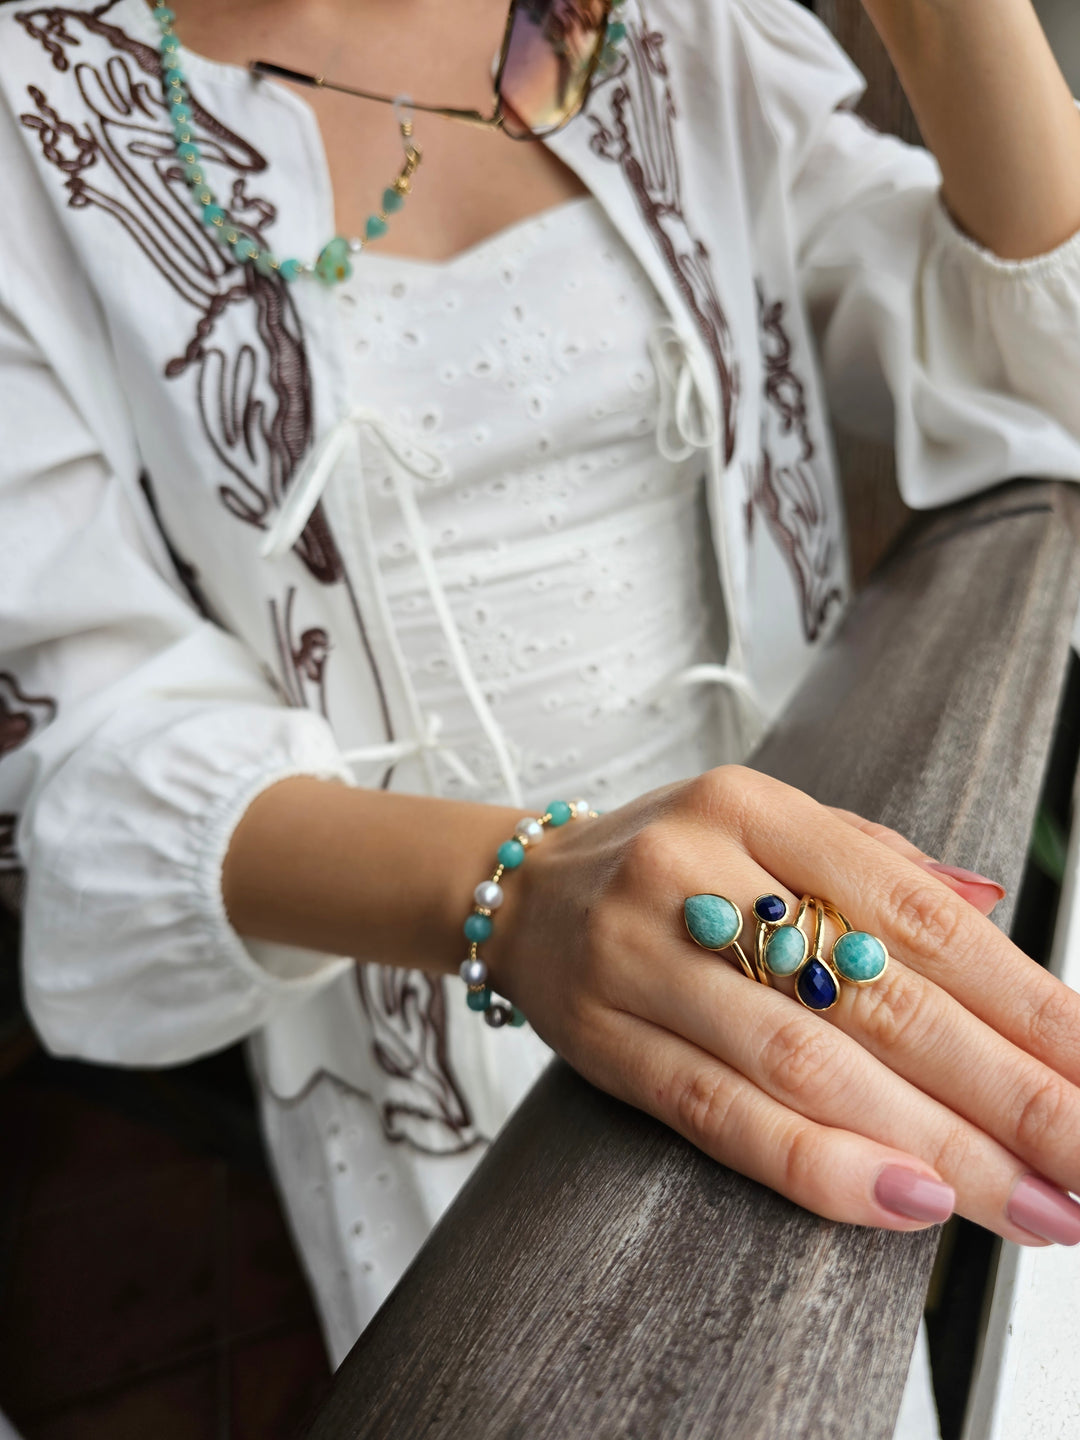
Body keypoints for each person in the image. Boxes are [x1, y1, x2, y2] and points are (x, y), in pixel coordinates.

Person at [1, 0, 1080, 1431]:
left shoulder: (686, 27)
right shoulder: (38, 109)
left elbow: (1042, 378)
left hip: (814, 935)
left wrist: (953, 24)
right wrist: (518, 897)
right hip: (424, 986)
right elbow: (84, 747)